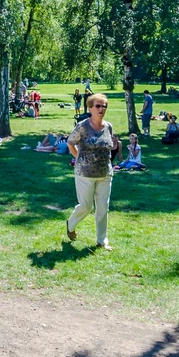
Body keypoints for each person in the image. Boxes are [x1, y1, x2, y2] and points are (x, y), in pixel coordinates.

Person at [65, 94, 120, 251]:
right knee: (86, 206)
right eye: (98, 106)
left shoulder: (108, 126)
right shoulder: (83, 126)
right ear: (90, 108)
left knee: (103, 208)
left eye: (104, 106)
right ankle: (71, 223)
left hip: (105, 174)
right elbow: (70, 142)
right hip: (85, 174)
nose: (101, 109)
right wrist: (80, 158)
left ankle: (102, 241)